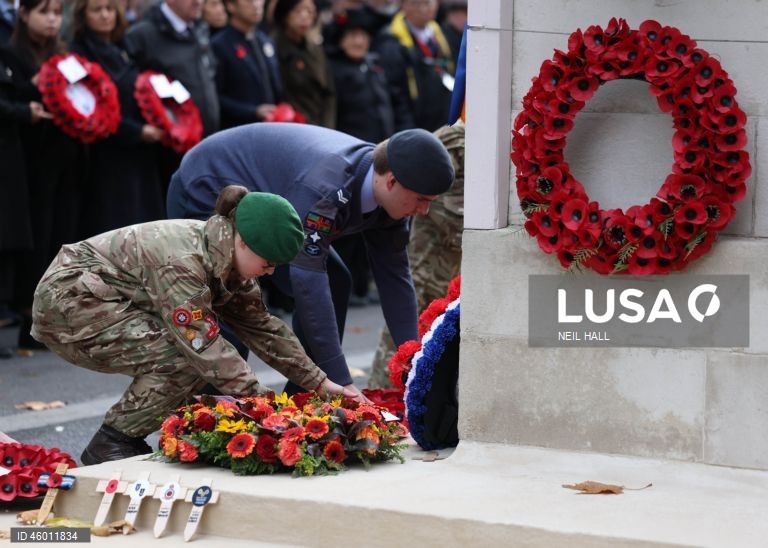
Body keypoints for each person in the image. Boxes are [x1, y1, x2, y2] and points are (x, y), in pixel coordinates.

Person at [32, 188, 360, 464]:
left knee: (198, 358)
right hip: (70, 302)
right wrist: (266, 406)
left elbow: (264, 328)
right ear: (244, 242)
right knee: (184, 357)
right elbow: (201, 342)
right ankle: (111, 442)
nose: (271, 272)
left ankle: (147, 433)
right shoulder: (183, 262)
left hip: (109, 298)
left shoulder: (229, 256)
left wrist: (319, 382)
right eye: (268, 263)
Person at [166, 123, 455, 399]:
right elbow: (308, 283)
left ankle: (302, 404)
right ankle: (208, 419)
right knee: (229, 300)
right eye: (421, 200)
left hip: (271, 198)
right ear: (392, 181)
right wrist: (341, 379)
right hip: (208, 183)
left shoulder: (390, 199)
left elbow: (396, 281)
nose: (424, 211)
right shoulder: (326, 188)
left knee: (337, 281)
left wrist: (414, 361)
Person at [1, 0, 86, 353]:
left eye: (56, 13)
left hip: (67, 159)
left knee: (61, 240)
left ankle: (54, 322)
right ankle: (29, 322)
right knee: (34, 245)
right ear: (24, 14)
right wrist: (30, 94)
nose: (52, 20)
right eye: (43, 12)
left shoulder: (66, 56)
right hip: (29, 166)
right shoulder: (11, 54)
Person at [368, 122, 465, 388]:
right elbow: (438, 210)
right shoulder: (455, 143)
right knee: (398, 356)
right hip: (427, 274)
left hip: (460, 279)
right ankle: (378, 410)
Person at [69, 0, 166, 237]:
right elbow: (89, 110)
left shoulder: (123, 47)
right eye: (97, 10)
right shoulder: (79, 53)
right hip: (108, 155)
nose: (105, 15)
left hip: (140, 154)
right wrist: (136, 131)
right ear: (83, 15)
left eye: (109, 9)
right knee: (115, 229)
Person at [375, 0, 454, 131]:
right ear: (403, 5)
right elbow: (395, 94)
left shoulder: (439, 33)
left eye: (428, 3)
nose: (423, 9)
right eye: (416, 3)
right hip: (413, 125)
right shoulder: (392, 41)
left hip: (442, 120)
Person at [211, 0, 282, 128]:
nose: (256, 5)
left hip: (272, 128)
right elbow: (215, 97)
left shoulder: (265, 40)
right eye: (249, 1)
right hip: (239, 130)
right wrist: (252, 111)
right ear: (231, 6)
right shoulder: (219, 45)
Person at [271, 0, 335, 127]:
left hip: (320, 124)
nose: (305, 16)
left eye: (310, 12)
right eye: (298, 10)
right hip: (289, 124)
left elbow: (328, 93)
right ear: (285, 13)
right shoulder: (272, 47)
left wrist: (328, 126)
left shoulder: (315, 49)